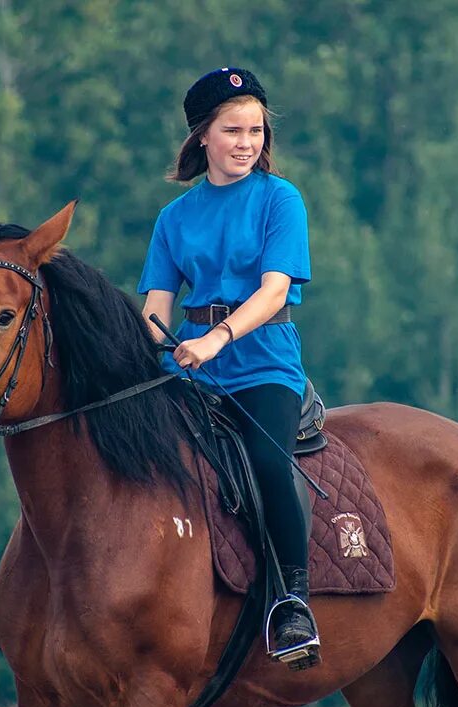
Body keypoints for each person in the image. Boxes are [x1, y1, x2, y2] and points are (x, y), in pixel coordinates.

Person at [138, 67, 319, 667]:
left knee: (268, 459)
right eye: (233, 130)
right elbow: (156, 310)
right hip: (191, 366)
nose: (247, 142)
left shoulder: (280, 199)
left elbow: (273, 293)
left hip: (263, 361)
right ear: (202, 138)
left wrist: (215, 338)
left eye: (256, 131)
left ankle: (293, 600)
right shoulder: (174, 218)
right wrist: (150, 354)